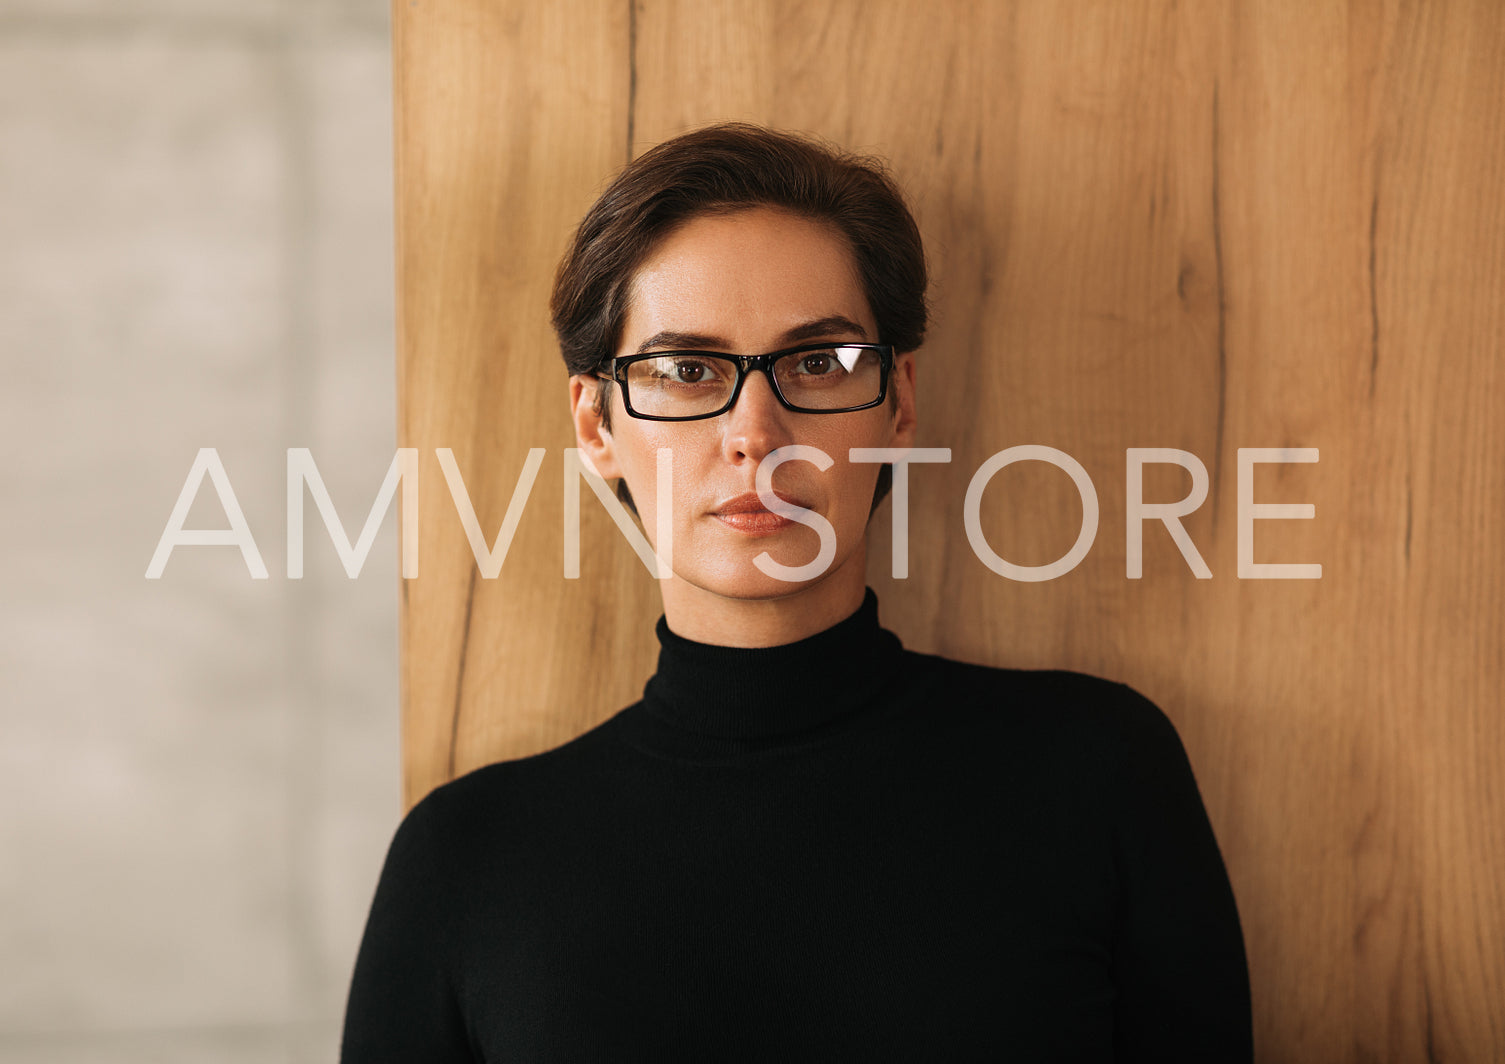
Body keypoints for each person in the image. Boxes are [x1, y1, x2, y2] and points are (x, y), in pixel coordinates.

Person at [341, 123, 1253, 1062]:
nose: (753, 432)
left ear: (899, 401)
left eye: (816, 363)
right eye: (688, 370)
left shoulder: (1095, 774)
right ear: (597, 424)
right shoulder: (467, 860)